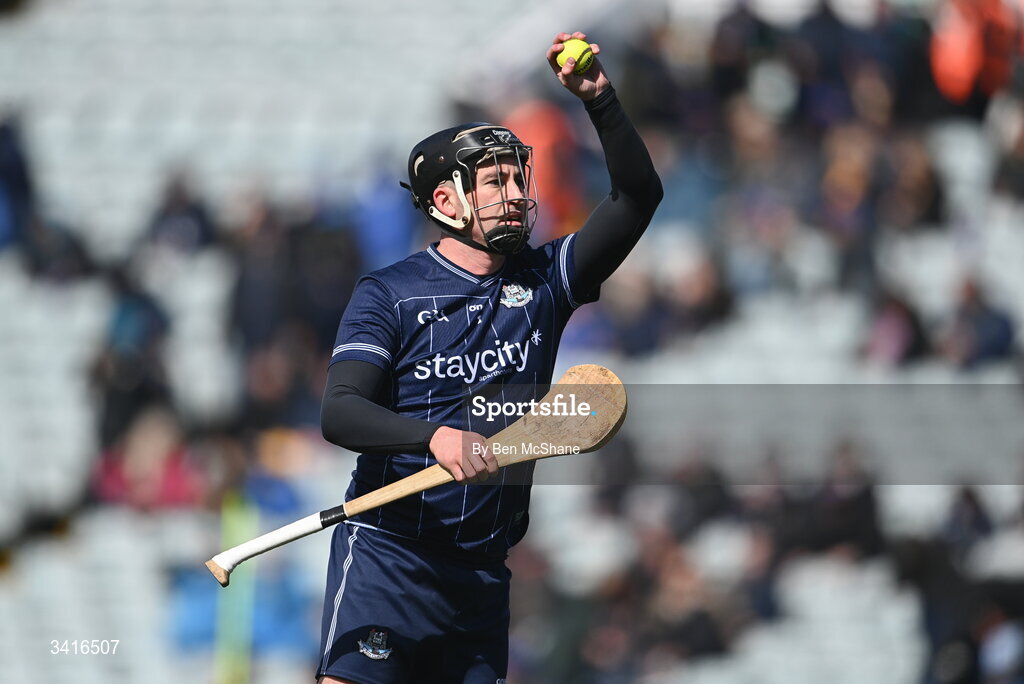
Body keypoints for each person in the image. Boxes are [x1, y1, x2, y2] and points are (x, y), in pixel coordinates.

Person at [316, 31, 663, 684]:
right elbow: (340, 413)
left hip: (481, 576)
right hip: (389, 554)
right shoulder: (389, 294)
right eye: (493, 181)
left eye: (516, 178)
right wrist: (434, 437)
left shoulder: (545, 279)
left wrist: (599, 99)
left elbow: (637, 198)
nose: (512, 193)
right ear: (446, 201)